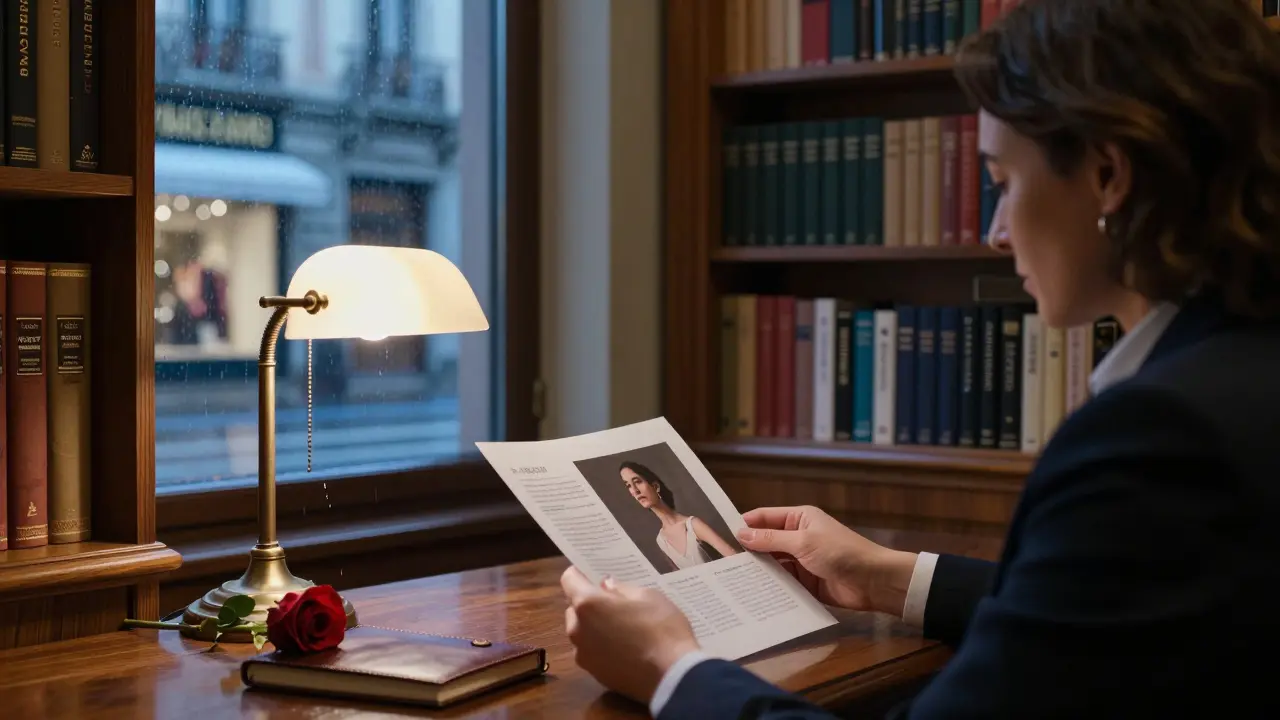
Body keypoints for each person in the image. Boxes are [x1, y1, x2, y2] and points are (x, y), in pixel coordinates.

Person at [559, 0, 1280, 717]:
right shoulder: (1240, 374)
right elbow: (1108, 609)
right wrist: (890, 576)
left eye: (1002, 181)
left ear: (1107, 175)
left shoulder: (1162, 436)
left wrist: (669, 670)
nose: (997, 233)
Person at [619, 460, 739, 570]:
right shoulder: (660, 540)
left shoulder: (693, 525)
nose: (635, 490)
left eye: (637, 482)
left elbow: (736, 558)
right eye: (628, 485)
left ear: (655, 486)